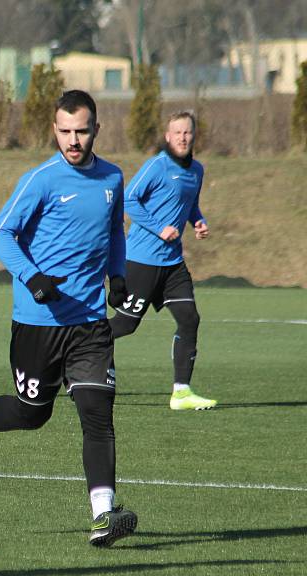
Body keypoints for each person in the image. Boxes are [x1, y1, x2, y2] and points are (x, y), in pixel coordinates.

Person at [0, 90, 137, 548]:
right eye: (65, 131)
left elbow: (114, 230)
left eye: (82, 131)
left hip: (89, 322)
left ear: (96, 129)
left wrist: (118, 275)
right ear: (54, 130)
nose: (73, 140)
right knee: (33, 415)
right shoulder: (41, 180)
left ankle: (103, 515)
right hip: (38, 322)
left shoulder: (113, 176)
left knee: (97, 412)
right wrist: (32, 278)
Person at [109, 111, 217, 411]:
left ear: (193, 136)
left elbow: (190, 205)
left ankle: (181, 392)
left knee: (190, 318)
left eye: (187, 133)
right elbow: (129, 199)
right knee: (125, 326)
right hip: (141, 261)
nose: (183, 137)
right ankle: (73, 351)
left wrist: (198, 221)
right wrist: (159, 227)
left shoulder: (197, 170)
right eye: (177, 132)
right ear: (168, 137)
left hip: (172, 265)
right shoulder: (156, 166)